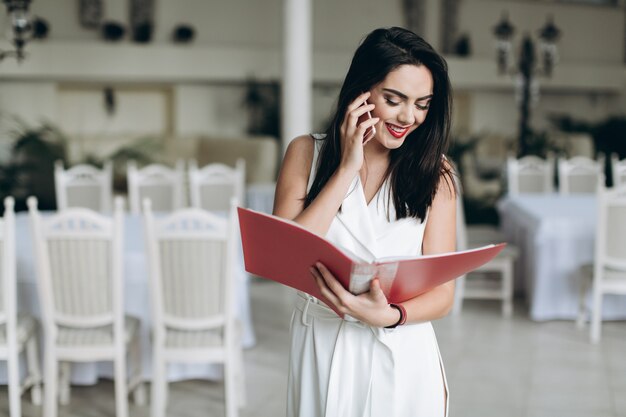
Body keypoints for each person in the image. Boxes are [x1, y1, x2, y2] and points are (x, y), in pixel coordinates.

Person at [273, 26, 456, 417]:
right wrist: (345, 170)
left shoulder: (436, 173)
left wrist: (389, 317)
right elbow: (284, 258)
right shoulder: (306, 153)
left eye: (422, 104)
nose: (409, 117)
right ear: (361, 92)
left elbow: (443, 295)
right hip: (321, 344)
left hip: (403, 351)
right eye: (394, 99)